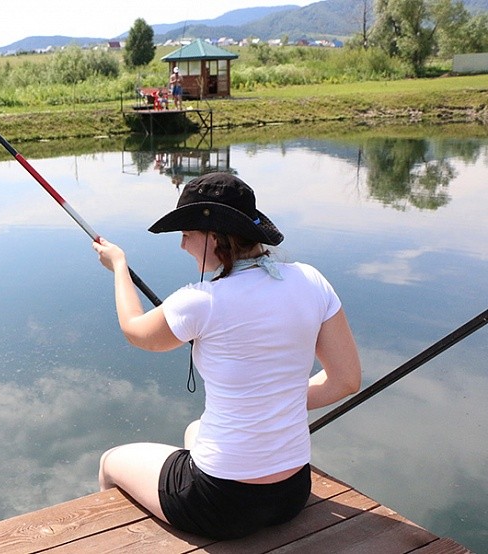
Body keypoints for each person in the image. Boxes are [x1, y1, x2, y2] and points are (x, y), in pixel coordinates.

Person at [91, 172, 362, 540]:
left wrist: (119, 265)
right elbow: (346, 380)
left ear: (214, 238)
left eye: (187, 234)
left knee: (110, 462)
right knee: (194, 430)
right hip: (291, 492)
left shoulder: (201, 300)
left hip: (218, 505)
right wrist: (276, 400)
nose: (182, 245)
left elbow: (135, 330)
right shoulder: (311, 280)